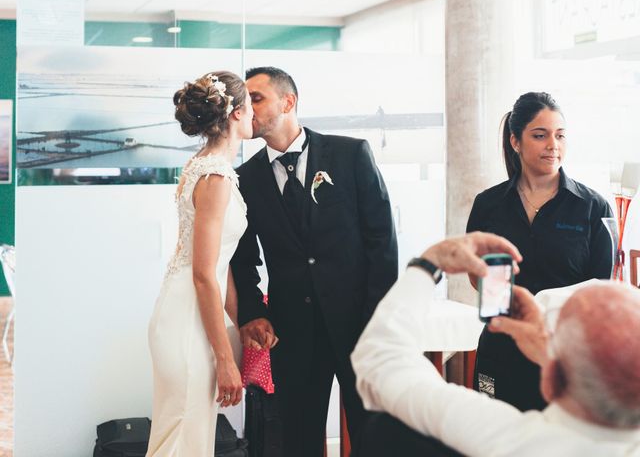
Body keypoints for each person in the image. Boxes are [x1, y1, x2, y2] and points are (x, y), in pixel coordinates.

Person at [230, 66, 398, 456]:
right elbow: (242, 257)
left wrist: (378, 316)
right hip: (292, 328)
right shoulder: (245, 178)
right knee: (299, 437)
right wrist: (252, 311)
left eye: (256, 98)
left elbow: (382, 241)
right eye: (244, 101)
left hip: (359, 322)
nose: (247, 108)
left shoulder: (350, 155)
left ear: (288, 102)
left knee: (372, 431)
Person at [352, 232, 640, 457]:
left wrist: (429, 264)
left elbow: (381, 360)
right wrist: (547, 349)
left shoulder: (512, 441)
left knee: (384, 432)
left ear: (550, 382)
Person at [466, 91, 613, 410]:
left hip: (564, 358)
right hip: (501, 349)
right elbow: (476, 277)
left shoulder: (592, 207)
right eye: (540, 135)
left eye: (560, 135)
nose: (553, 145)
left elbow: (601, 290)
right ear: (515, 141)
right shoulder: (488, 205)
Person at [146, 71, 253, 456]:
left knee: (184, 435)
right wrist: (225, 358)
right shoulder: (215, 176)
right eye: (252, 104)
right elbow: (205, 274)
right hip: (189, 320)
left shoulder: (202, 165)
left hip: (186, 312)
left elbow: (217, 266)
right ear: (238, 113)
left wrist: (237, 327)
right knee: (184, 440)